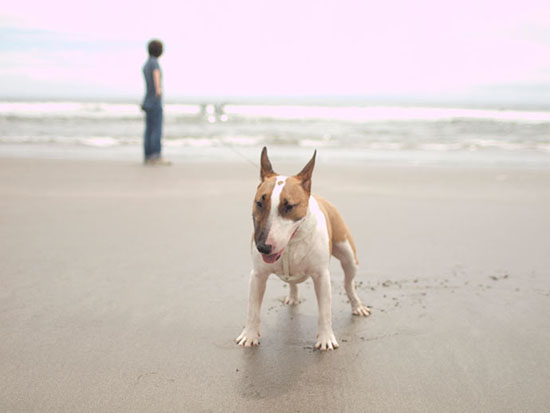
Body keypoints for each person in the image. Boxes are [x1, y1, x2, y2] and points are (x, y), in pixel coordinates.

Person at [141, 39, 170, 165]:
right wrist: (159, 91)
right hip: (154, 100)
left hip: (147, 100)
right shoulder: (154, 64)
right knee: (156, 129)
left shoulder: (146, 64)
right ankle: (156, 155)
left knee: (149, 129)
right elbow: (156, 76)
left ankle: (148, 155)